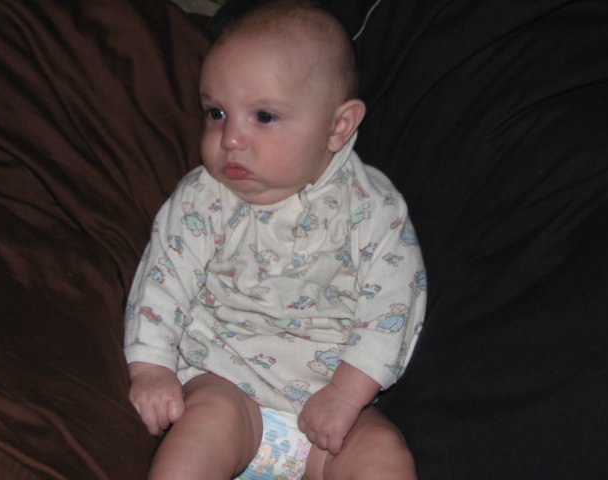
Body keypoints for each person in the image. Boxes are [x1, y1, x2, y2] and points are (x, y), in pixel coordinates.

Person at [124, 1, 426, 478]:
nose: (230, 138)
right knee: (204, 428)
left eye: (263, 116)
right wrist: (152, 368)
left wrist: (345, 395)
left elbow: (393, 306)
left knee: (383, 454)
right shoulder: (203, 199)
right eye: (217, 112)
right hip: (227, 385)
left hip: (332, 411)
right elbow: (162, 280)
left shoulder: (372, 209)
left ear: (338, 126)